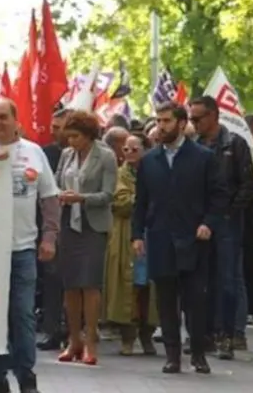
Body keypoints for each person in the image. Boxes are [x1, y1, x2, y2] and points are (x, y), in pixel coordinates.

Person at [132, 103, 227, 375]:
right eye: (158, 121)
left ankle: (198, 353)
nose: (160, 126)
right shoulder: (149, 160)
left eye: (166, 121)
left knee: (195, 299)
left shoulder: (203, 157)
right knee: (165, 299)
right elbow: (141, 202)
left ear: (182, 123)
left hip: (193, 238)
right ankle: (172, 355)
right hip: (160, 237)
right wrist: (137, 235)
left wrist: (208, 223)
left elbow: (219, 195)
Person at [0, 99, 57, 393]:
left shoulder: (34, 152)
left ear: (15, 119)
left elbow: (49, 198)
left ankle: (26, 377)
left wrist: (49, 237)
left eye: (2, 117)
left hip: (23, 249)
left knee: (22, 314)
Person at [188, 95, 253, 358]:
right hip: (199, 221)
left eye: (197, 118)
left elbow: (247, 185)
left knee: (227, 279)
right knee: (199, 280)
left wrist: (228, 213)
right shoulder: (193, 145)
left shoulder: (234, 144)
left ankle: (228, 334)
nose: (194, 123)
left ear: (213, 115)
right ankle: (202, 334)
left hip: (227, 222)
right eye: (191, 118)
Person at [54, 111, 117, 366]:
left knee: (90, 284)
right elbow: (56, 183)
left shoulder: (106, 156)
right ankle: (74, 339)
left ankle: (91, 340)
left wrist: (81, 198)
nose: (71, 142)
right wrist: (61, 194)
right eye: (68, 137)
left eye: (76, 137)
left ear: (89, 135)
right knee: (70, 284)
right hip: (68, 224)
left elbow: (108, 195)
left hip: (93, 226)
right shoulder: (66, 155)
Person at [104, 133, 156, 356]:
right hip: (125, 235)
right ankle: (128, 337)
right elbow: (120, 201)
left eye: (135, 149)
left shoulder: (155, 171)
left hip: (151, 235)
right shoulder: (119, 174)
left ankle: (147, 334)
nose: (130, 153)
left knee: (150, 288)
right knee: (129, 287)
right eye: (126, 149)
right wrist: (143, 199)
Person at [36, 110, 69, 351]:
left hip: (77, 225)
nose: (53, 131)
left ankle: (76, 330)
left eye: (59, 127)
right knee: (52, 279)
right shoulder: (45, 153)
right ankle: (52, 329)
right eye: (52, 126)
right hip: (49, 226)